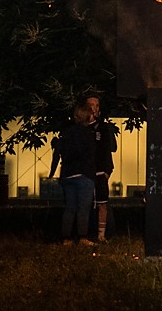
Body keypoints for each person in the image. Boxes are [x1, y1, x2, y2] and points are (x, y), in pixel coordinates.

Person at [50, 101, 97, 245]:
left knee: (70, 207)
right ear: (88, 117)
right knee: (83, 208)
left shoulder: (66, 133)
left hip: (68, 174)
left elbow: (58, 152)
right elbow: (91, 155)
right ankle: (82, 237)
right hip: (84, 174)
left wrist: (53, 172)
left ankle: (66, 238)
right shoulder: (89, 134)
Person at [87, 96, 118, 242]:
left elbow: (111, 147)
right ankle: (86, 233)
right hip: (85, 171)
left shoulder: (104, 127)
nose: (94, 108)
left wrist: (107, 170)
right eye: (91, 105)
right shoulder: (80, 128)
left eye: (97, 105)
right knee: (86, 203)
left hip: (101, 171)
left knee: (102, 203)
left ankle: (102, 234)